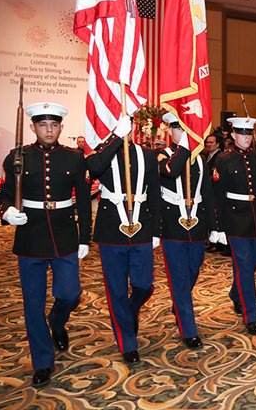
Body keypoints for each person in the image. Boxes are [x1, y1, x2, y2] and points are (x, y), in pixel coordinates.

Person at [0, 102, 91, 387]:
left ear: (61, 127)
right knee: (32, 303)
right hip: (30, 237)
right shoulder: (17, 157)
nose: (48, 130)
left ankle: (58, 321)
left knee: (70, 294)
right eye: (42, 125)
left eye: (54, 125)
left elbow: (85, 202)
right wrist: (6, 212)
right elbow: (4, 195)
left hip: (64, 235)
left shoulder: (75, 158)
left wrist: (84, 237)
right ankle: (42, 360)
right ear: (33, 127)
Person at [87, 114, 160, 365]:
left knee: (144, 285)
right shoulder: (101, 153)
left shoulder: (147, 155)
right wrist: (116, 138)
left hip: (141, 227)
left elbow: (155, 194)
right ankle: (127, 342)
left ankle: (130, 311)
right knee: (116, 289)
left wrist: (157, 231)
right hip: (111, 230)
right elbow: (94, 168)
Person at [212, 117, 256, 336]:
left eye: (249, 134)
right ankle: (252, 316)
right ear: (233, 135)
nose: (246, 138)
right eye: (242, 134)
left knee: (253, 262)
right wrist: (218, 226)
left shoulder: (254, 156)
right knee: (243, 267)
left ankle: (235, 293)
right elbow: (218, 196)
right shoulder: (224, 159)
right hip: (235, 219)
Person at [157, 113, 216, 349]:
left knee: (193, 269)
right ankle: (188, 329)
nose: (182, 134)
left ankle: (179, 302)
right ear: (171, 131)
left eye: (185, 130)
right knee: (179, 277)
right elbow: (170, 172)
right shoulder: (162, 155)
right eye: (177, 129)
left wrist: (215, 225)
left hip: (197, 223)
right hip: (173, 224)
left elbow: (208, 194)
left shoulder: (200, 159)